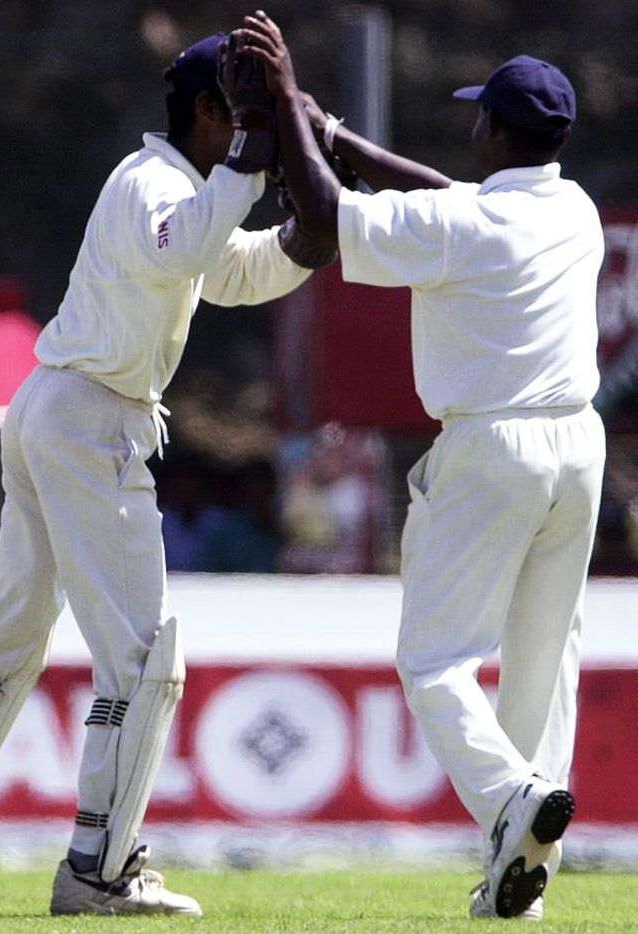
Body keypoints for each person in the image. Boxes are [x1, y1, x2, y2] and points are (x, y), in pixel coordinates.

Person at [0, 32, 329, 917]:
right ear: (209, 114)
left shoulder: (182, 193)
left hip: (57, 408)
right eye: (242, 121)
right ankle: (99, 868)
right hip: (93, 421)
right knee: (146, 659)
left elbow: (228, 269)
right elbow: (182, 247)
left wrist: (315, 227)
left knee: (10, 636)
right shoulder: (153, 184)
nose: (254, 141)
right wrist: (252, 155)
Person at [237, 12, 604, 921]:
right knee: (543, 662)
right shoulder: (574, 208)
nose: (470, 127)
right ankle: (522, 869)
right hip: (579, 446)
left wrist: (287, 105)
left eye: (481, 116)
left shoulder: (462, 225)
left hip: (492, 449)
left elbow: (328, 217)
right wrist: (335, 137)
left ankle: (511, 804)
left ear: (499, 131)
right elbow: (446, 198)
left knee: (435, 662)